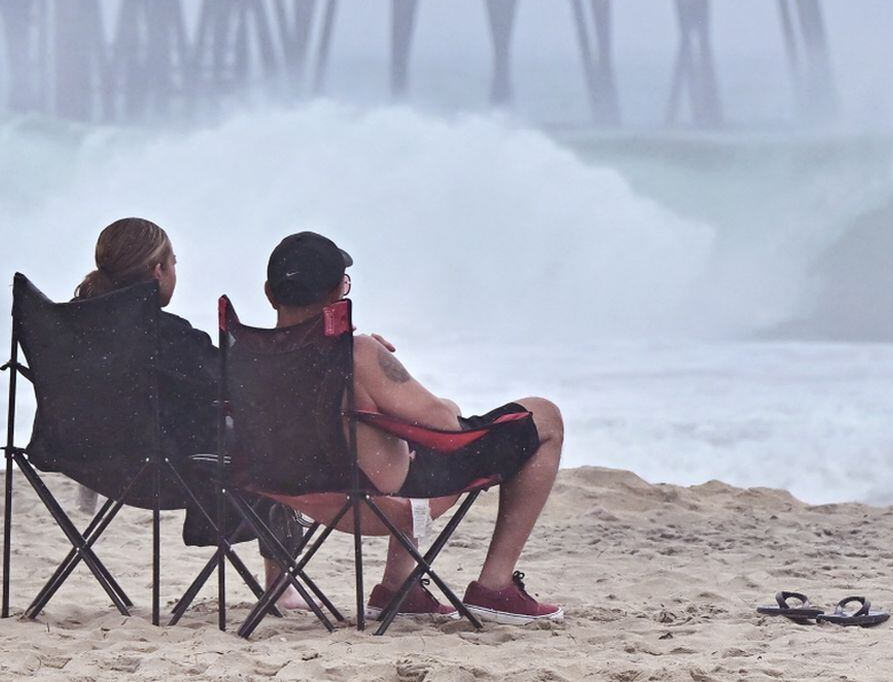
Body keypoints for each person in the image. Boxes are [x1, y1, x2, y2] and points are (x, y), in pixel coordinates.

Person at [73, 217, 427, 616]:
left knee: (251, 438)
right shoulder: (164, 335)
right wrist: (348, 358)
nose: (174, 271)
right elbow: (247, 385)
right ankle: (281, 586)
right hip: (166, 470)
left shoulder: (71, 328)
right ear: (158, 270)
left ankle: (284, 584)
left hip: (81, 460)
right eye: (173, 262)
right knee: (267, 442)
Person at [263, 231, 565, 624]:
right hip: (376, 508)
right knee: (544, 416)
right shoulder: (358, 355)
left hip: (304, 499)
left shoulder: (246, 359)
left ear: (270, 293)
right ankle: (495, 586)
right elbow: (445, 425)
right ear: (340, 293)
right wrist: (379, 365)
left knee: (418, 423)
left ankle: (400, 588)